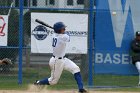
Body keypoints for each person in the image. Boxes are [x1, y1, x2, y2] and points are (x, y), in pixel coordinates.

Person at [34, 22, 87, 93]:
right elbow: (68, 37)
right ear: (59, 30)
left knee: (76, 69)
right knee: (53, 81)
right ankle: (38, 83)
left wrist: (59, 31)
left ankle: (81, 89)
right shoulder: (63, 37)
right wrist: (61, 32)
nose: (64, 29)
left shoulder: (54, 35)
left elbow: (61, 34)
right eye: (63, 29)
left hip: (63, 59)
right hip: (57, 61)